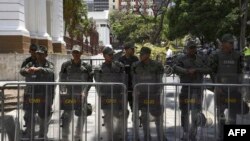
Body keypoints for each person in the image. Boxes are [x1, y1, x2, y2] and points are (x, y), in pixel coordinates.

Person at [208, 34, 247, 141]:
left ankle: (231, 135)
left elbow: (240, 72)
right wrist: (216, 85)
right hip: (221, 90)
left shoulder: (238, 56)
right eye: (230, 43)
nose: (232, 44)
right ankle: (221, 135)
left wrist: (241, 87)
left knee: (233, 116)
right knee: (221, 115)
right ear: (223, 43)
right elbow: (212, 72)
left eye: (232, 42)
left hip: (234, 90)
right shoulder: (216, 55)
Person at [174, 41, 210, 141]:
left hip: (197, 89)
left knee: (195, 113)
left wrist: (197, 70)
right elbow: (175, 68)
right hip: (185, 89)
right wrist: (186, 71)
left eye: (194, 48)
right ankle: (185, 133)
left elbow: (208, 69)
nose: (192, 50)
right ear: (187, 48)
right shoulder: (181, 58)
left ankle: (192, 134)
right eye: (190, 48)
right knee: (184, 112)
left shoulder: (201, 58)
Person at [131, 47, 166, 141]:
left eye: (143, 54)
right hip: (142, 95)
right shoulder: (135, 65)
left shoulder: (157, 65)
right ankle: (147, 137)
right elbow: (133, 79)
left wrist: (159, 90)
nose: (140, 55)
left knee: (158, 116)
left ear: (148, 54)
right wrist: (136, 90)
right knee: (144, 117)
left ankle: (161, 136)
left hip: (154, 94)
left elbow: (160, 78)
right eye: (140, 54)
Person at [20, 45, 55, 140]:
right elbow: (22, 71)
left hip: (44, 95)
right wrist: (28, 70)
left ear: (46, 55)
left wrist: (39, 69)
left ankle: (42, 136)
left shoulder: (49, 64)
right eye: (38, 54)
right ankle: (30, 135)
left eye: (41, 54)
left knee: (44, 117)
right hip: (31, 94)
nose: (39, 56)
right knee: (29, 115)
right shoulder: (31, 63)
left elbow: (51, 71)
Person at [59, 45, 93, 141]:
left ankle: (78, 136)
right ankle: (65, 136)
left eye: (77, 52)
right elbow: (62, 78)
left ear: (81, 53)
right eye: (74, 52)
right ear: (72, 53)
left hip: (81, 94)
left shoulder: (87, 66)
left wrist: (85, 91)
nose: (75, 54)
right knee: (66, 115)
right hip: (69, 93)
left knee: (81, 114)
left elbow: (90, 81)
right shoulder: (65, 65)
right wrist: (62, 90)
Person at [94, 47, 126, 141]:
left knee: (120, 114)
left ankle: (118, 134)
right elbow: (98, 84)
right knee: (108, 116)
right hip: (106, 96)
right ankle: (109, 135)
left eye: (112, 54)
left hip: (117, 95)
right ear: (104, 56)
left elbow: (123, 79)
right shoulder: (99, 68)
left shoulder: (119, 66)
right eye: (109, 55)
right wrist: (101, 95)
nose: (112, 56)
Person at [118, 41, 139, 118]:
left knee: (135, 110)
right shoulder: (120, 59)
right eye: (132, 49)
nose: (133, 50)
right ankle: (123, 128)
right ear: (126, 49)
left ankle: (135, 126)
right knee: (123, 111)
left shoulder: (136, 59)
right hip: (123, 87)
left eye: (134, 49)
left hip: (133, 87)